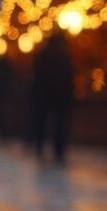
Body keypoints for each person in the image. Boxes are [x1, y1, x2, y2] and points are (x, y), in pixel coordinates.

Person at [31, 33, 75, 162]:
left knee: (44, 123)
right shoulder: (63, 56)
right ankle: (58, 151)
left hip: (46, 97)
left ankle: (42, 147)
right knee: (58, 125)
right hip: (56, 97)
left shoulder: (44, 56)